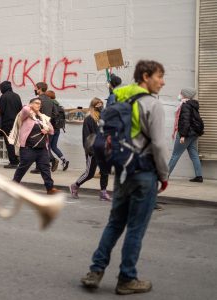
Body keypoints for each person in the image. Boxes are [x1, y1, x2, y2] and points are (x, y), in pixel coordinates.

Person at [81, 60, 169, 295]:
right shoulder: (152, 104)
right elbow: (159, 145)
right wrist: (164, 175)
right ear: (146, 76)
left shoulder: (118, 97)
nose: (162, 82)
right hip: (144, 172)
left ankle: (95, 271)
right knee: (135, 228)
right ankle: (127, 278)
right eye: (159, 76)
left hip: (122, 170)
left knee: (115, 223)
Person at [12, 98, 59, 195]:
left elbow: (52, 130)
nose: (39, 105)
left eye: (40, 104)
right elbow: (24, 110)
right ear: (30, 104)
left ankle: (50, 188)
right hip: (29, 148)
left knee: (45, 169)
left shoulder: (42, 117)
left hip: (42, 149)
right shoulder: (26, 115)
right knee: (23, 168)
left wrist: (47, 130)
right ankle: (13, 185)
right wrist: (29, 106)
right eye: (36, 103)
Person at [70, 98, 110, 201]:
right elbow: (86, 135)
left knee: (105, 172)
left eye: (101, 104)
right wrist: (90, 150)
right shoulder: (89, 118)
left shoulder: (104, 117)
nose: (100, 106)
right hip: (93, 149)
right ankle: (75, 185)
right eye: (98, 104)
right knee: (90, 174)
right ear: (93, 106)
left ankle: (103, 192)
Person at [168, 87, 203, 182]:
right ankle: (199, 176)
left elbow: (185, 121)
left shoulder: (185, 105)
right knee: (194, 155)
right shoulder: (192, 105)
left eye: (181, 92)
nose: (179, 94)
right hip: (193, 133)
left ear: (185, 95)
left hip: (186, 133)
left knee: (175, 155)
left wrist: (183, 135)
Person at [31, 82, 59, 173]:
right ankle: (40, 167)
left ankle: (51, 160)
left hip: (39, 126)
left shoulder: (37, 100)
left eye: (36, 88)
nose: (35, 90)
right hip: (48, 125)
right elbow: (56, 113)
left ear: (39, 89)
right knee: (44, 146)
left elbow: (33, 113)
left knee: (38, 146)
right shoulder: (50, 100)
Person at [0, 80, 22, 168]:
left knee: (9, 142)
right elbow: (20, 109)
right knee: (16, 141)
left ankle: (13, 162)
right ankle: (17, 159)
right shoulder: (17, 96)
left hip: (7, 123)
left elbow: (2, 111)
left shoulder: (3, 97)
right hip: (17, 122)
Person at [46, 90, 69, 171]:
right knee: (54, 147)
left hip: (51, 129)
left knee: (47, 147)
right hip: (58, 129)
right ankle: (64, 160)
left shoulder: (50, 105)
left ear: (48, 97)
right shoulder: (59, 106)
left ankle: (52, 161)